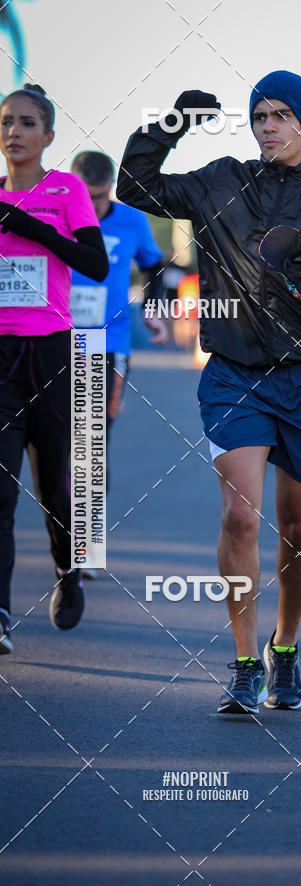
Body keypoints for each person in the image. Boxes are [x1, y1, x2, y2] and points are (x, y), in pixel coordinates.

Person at [117, 70, 301, 715]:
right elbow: (134, 186)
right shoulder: (223, 181)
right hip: (235, 375)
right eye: (259, 116)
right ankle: (246, 662)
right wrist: (170, 124)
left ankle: (286, 647)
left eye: (281, 115)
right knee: (240, 515)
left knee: (299, 527)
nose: (268, 125)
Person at [0, 84, 109, 655]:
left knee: (53, 488)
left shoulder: (64, 189)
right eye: (5, 122)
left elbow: (95, 264)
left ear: (47, 136)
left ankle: (68, 573)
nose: (12, 132)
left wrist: (30, 226)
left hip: (52, 354)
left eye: (25, 123)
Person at [69, 151, 164, 498]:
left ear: (110, 187)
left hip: (104, 341)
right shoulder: (53, 217)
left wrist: (152, 311)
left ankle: (89, 536)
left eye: (99, 196)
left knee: (91, 441)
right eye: (84, 197)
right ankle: (64, 530)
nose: (92, 207)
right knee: (54, 439)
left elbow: (155, 266)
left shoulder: (130, 221)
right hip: (51, 337)